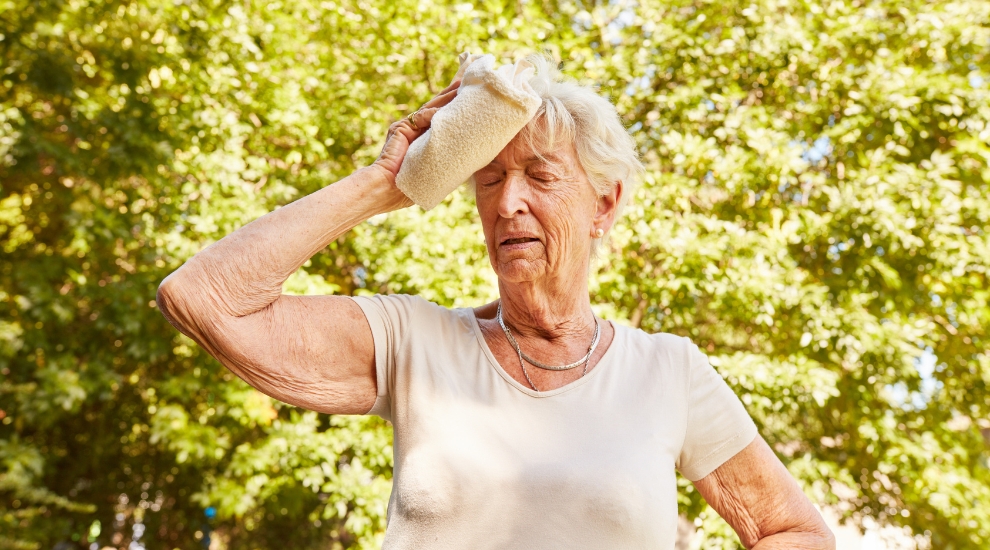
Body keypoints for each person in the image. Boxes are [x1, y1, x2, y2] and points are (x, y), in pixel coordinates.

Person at [157, 54, 835, 549]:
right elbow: (203, 298)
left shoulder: (668, 372)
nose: (508, 202)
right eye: (489, 180)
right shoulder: (412, 342)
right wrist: (387, 183)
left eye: (540, 176)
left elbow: (794, 531)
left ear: (605, 203)